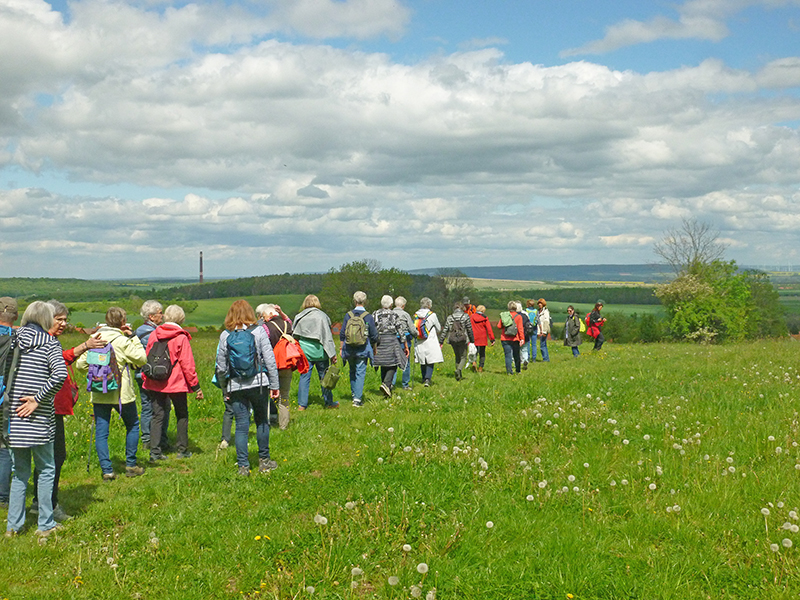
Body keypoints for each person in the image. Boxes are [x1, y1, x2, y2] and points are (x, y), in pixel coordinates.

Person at [31, 300, 104, 522]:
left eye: (65, 319)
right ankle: (48, 505)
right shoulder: (44, 342)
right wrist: (85, 346)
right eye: (58, 319)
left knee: (52, 457)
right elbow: (58, 362)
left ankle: (39, 502)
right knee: (52, 457)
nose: (63, 323)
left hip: (53, 407)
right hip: (47, 407)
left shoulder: (48, 340)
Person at [5, 301, 67, 538]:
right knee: (46, 469)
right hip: (39, 417)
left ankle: (13, 526)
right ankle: (45, 524)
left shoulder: (13, 340)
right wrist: (39, 399)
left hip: (14, 415)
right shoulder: (49, 343)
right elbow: (60, 373)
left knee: (19, 472)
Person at [76, 306, 147, 480]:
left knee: (101, 432)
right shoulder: (122, 340)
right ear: (123, 321)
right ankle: (130, 465)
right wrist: (133, 336)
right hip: (122, 394)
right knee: (132, 425)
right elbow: (141, 359)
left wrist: (96, 373)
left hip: (100, 392)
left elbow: (79, 365)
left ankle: (107, 470)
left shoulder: (95, 338)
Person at [215, 300, 280, 475]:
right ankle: (264, 460)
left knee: (242, 425)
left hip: (235, 386)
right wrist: (275, 385)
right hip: (259, 383)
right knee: (262, 422)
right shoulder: (258, 331)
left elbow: (221, 367)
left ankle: (243, 466)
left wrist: (225, 388)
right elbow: (270, 360)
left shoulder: (225, 335)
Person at [142, 305, 203, 463]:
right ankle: (182, 449)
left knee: (157, 416)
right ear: (181, 319)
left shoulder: (154, 333)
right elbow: (187, 365)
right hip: (176, 382)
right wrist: (196, 386)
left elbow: (147, 357)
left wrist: (145, 378)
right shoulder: (181, 337)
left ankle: (155, 452)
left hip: (156, 380)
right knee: (182, 415)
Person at [293, 295, 338, 410]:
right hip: (320, 351)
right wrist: (332, 354)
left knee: (304, 377)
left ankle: (302, 405)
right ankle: (329, 402)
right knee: (325, 377)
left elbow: (295, 335)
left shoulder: (299, 316)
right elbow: (327, 336)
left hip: (305, 352)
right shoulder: (322, 316)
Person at [134, 300, 168, 450]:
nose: (163, 315)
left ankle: (147, 439)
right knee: (161, 407)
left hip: (139, 374)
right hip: (151, 375)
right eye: (160, 313)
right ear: (152, 316)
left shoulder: (138, 331)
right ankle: (157, 439)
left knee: (146, 406)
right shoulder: (153, 333)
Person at [256, 303, 293, 428]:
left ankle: (267, 421)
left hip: (272, 364)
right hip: (287, 363)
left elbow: (263, 346)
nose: (264, 319)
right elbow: (288, 320)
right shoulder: (287, 324)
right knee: (285, 395)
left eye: (265, 316)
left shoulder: (266, 327)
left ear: (270, 315)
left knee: (268, 394)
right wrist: (281, 312)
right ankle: (284, 424)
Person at [340, 291, 378, 407]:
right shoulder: (367, 316)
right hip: (363, 348)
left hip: (349, 348)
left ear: (354, 301)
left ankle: (353, 394)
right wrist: (374, 347)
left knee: (352, 371)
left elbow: (342, 333)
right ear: (365, 301)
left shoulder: (348, 315)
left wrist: (341, 348)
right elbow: (374, 335)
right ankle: (357, 399)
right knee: (360, 372)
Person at [0, 297, 18, 510]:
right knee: (4, 447)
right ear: (16, 316)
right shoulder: (17, 338)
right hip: (6, 396)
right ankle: (3, 495)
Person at [372, 295, 408, 397]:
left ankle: (386, 387)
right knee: (393, 364)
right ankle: (386, 384)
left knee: (383, 363)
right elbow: (400, 330)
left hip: (379, 342)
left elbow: (372, 329)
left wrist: (372, 345)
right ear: (391, 305)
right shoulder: (394, 315)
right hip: (391, 341)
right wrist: (405, 345)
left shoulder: (375, 314)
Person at [439, 302, 474, 381]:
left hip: (453, 339)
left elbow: (445, 330)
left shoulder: (450, 317)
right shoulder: (465, 316)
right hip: (463, 339)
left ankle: (458, 376)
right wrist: (472, 340)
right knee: (463, 357)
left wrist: (441, 341)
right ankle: (458, 370)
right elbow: (469, 329)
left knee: (457, 356)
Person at [413, 297, 443, 387]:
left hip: (419, 340)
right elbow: (438, 328)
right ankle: (427, 379)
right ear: (429, 305)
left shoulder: (416, 315)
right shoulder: (432, 315)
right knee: (430, 360)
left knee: (422, 360)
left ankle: (423, 378)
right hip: (430, 340)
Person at [392, 296, 417, 389]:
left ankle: (391, 383)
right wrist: (416, 334)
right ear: (403, 305)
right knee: (406, 361)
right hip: (405, 341)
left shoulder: (391, 313)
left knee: (393, 361)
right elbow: (412, 328)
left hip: (393, 340)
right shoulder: (405, 314)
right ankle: (405, 384)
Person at [497, 301, 525, 374]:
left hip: (505, 338)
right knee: (516, 355)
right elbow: (520, 328)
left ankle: (509, 371)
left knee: (508, 355)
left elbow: (499, 326)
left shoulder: (504, 315)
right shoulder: (519, 317)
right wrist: (522, 338)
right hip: (515, 338)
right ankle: (518, 370)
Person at [469, 304, 494, 372]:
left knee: (474, 352)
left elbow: (469, 327)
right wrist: (492, 339)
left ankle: (474, 362)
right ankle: (480, 367)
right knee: (482, 353)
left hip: (474, 337)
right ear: (483, 311)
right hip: (482, 337)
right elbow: (489, 329)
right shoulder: (485, 318)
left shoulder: (471, 317)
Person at [522, 300, 538, 369]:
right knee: (534, 344)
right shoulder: (536, 311)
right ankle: (534, 358)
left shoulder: (526, 310)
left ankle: (527, 357)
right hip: (534, 328)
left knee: (528, 343)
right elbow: (538, 320)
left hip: (527, 328)